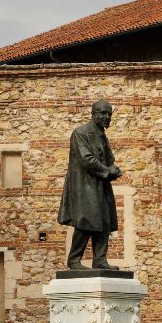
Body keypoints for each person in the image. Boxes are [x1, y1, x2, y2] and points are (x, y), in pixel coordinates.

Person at [57, 99, 123, 269]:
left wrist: (114, 169)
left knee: (104, 220)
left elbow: (109, 160)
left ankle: (100, 259)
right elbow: (86, 160)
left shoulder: (102, 136)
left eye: (109, 114)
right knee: (86, 221)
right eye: (103, 113)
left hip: (101, 185)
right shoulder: (81, 133)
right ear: (93, 114)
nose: (106, 117)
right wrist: (108, 171)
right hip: (85, 185)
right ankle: (74, 260)